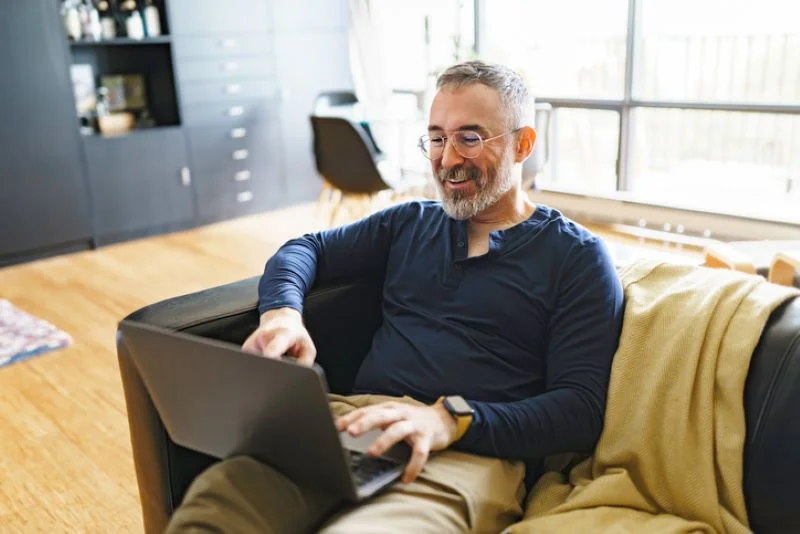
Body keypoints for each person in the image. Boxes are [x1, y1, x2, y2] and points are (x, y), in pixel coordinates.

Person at [166, 60, 624, 533]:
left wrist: (452, 419)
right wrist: (281, 314)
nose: (446, 160)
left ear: (523, 143)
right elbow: (305, 249)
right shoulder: (409, 222)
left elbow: (579, 410)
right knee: (213, 511)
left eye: (469, 137)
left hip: (464, 456)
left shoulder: (577, 257)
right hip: (347, 427)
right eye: (437, 138)